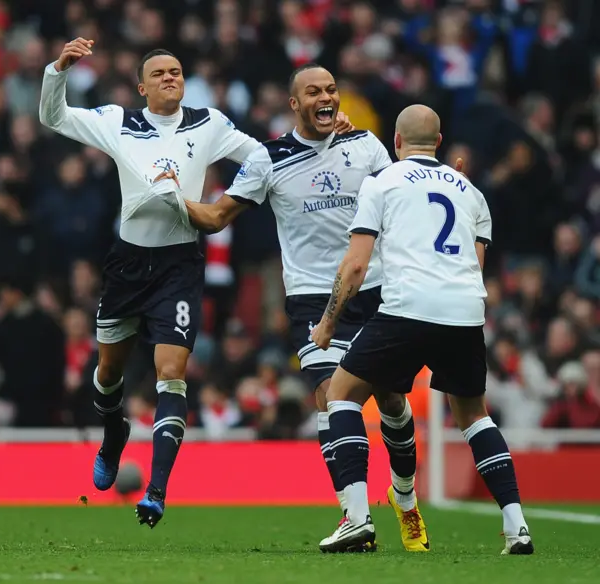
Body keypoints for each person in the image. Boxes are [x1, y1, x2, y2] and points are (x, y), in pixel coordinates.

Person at [38, 39, 353, 528]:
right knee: (107, 377)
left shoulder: (209, 123)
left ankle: (157, 490)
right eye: (160, 73)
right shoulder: (119, 122)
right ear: (142, 86)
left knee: (172, 372)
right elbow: (53, 117)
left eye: (178, 71)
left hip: (179, 265)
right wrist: (59, 69)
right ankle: (113, 430)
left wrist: (328, 136)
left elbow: (267, 156)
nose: (170, 78)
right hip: (127, 264)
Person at [182, 64, 428, 552]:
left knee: (393, 403)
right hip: (313, 297)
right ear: (294, 104)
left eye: (331, 89)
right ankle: (356, 517)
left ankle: (405, 501)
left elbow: (406, 202)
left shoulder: (367, 147)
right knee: (329, 395)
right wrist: (169, 195)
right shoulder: (268, 159)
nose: (325, 96)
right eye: (313, 90)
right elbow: (217, 217)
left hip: (378, 290)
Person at [311, 105, 534, 555]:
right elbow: (475, 264)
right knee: (474, 416)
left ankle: (356, 519)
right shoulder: (470, 191)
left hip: (408, 307)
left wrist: (327, 323)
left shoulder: (383, 182)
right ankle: (517, 527)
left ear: (395, 142)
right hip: (465, 310)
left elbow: (356, 264)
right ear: (440, 140)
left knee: (341, 393)